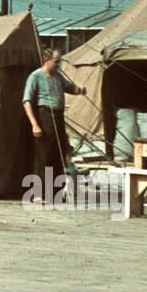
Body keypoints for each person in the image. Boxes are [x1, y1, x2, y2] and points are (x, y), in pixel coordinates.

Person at [22, 48, 84, 204]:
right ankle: (37, 194)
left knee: (59, 154)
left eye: (60, 61)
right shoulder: (35, 77)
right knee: (43, 156)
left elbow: (71, 88)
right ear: (47, 60)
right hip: (44, 117)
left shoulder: (57, 76)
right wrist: (34, 124)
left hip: (58, 118)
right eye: (56, 61)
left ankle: (55, 193)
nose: (59, 64)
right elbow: (27, 101)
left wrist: (80, 90)